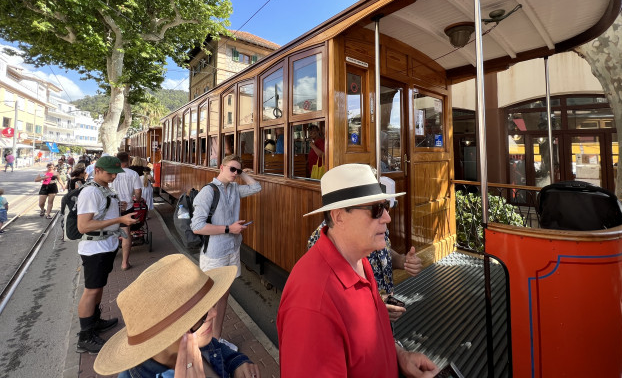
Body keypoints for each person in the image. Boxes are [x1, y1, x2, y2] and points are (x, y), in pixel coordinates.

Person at [277, 163, 438, 377]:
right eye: (376, 209)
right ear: (339, 217)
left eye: (386, 207)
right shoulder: (312, 303)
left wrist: (398, 355)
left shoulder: (360, 262)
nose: (387, 218)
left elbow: (364, 344)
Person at [93, 254, 261, 378]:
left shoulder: (197, 342)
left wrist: (238, 363)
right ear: (167, 333)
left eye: (210, 306)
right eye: (201, 315)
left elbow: (222, 351)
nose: (214, 313)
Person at [191, 154, 261, 351]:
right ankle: (201, 343)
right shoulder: (208, 192)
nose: (235, 174)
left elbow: (256, 187)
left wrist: (244, 174)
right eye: (232, 169)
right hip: (215, 253)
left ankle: (216, 339)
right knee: (210, 300)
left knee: (223, 297)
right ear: (220, 167)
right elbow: (197, 226)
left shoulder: (235, 188)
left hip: (232, 249)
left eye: (237, 171)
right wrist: (229, 229)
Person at [76, 155, 138, 353]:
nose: (113, 176)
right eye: (110, 173)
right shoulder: (91, 192)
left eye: (115, 173)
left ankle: (95, 322)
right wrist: (118, 219)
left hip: (105, 246)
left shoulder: (104, 190)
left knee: (99, 287)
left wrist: (115, 212)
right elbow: (84, 225)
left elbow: (100, 215)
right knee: (91, 290)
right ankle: (85, 336)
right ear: (98, 171)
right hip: (95, 249)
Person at [112, 152, 142, 271]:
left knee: (110, 231)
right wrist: (138, 200)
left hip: (112, 207)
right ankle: (125, 263)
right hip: (127, 206)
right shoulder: (133, 174)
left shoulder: (112, 172)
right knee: (126, 233)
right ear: (128, 160)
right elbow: (138, 191)